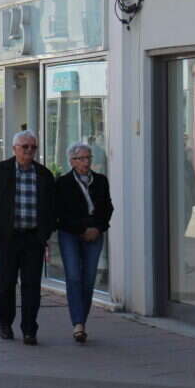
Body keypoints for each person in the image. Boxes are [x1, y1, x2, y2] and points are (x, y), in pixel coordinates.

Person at [0, 130, 56, 345]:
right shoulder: (1, 171)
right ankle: (5, 323)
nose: (29, 151)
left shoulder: (43, 175)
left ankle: (29, 329)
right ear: (14, 149)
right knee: (7, 282)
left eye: (33, 147)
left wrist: (46, 231)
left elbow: (53, 205)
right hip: (8, 237)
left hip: (33, 238)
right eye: (25, 147)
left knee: (32, 284)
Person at [56, 142, 114, 344]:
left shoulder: (101, 181)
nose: (86, 162)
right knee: (73, 276)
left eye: (88, 158)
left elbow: (107, 208)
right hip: (70, 233)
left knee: (88, 279)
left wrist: (98, 228)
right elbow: (60, 214)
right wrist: (82, 230)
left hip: (95, 232)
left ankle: (81, 321)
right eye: (81, 159)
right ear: (72, 161)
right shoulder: (63, 183)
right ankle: (78, 324)